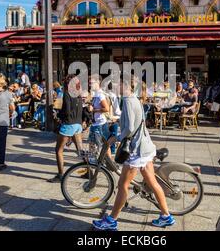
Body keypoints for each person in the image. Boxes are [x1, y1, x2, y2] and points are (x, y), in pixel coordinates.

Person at [92, 75, 175, 231]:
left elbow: (130, 128)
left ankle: (111, 220)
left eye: (117, 84)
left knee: (123, 185)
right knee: (153, 183)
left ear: (125, 85)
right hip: (145, 147)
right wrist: (118, 122)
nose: (115, 87)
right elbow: (133, 123)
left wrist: (116, 138)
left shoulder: (129, 101)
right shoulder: (134, 99)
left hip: (137, 150)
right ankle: (166, 216)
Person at [48, 75, 83, 183]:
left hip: (68, 124)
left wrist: (60, 117)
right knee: (80, 151)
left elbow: (66, 111)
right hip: (78, 124)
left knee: (58, 150)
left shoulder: (67, 94)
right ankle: (90, 171)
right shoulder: (78, 95)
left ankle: (60, 175)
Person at [87, 74, 111, 155]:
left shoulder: (100, 95)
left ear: (98, 82)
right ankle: (92, 163)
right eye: (89, 83)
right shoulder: (96, 94)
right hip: (95, 123)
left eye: (92, 83)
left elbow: (106, 108)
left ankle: (109, 164)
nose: (90, 84)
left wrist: (94, 109)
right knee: (93, 146)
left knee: (104, 146)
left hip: (100, 124)